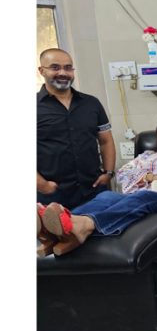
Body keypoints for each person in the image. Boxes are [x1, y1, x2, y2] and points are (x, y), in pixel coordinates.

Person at [36, 115, 157, 256]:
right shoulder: (148, 156)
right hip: (141, 195)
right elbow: (123, 174)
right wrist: (150, 177)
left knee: (142, 197)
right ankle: (60, 226)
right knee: (106, 197)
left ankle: (84, 225)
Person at [37, 48, 116, 210]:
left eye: (68, 67)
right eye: (55, 67)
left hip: (93, 190)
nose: (63, 72)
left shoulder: (91, 103)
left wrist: (108, 173)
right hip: (53, 195)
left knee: (102, 233)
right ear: (41, 71)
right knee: (57, 235)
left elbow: (106, 140)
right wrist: (41, 184)